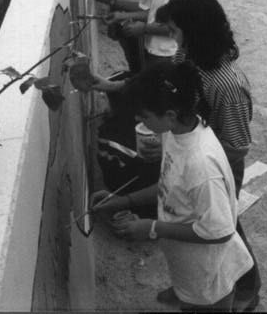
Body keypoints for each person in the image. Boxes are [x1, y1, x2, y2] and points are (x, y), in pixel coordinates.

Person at [89, 60, 254, 311]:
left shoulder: (201, 165)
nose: (138, 119)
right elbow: (171, 183)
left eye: (144, 115)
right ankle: (182, 294)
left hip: (209, 275)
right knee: (189, 296)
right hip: (190, 265)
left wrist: (153, 227)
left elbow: (218, 231)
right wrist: (122, 200)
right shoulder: (175, 132)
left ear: (170, 115)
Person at [154, 0, 260, 312]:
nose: (170, 38)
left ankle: (246, 286)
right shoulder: (185, 57)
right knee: (188, 219)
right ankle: (189, 286)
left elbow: (238, 145)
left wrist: (198, 164)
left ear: (194, 30)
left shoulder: (226, 84)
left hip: (215, 165)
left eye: (174, 31)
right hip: (190, 155)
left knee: (225, 228)